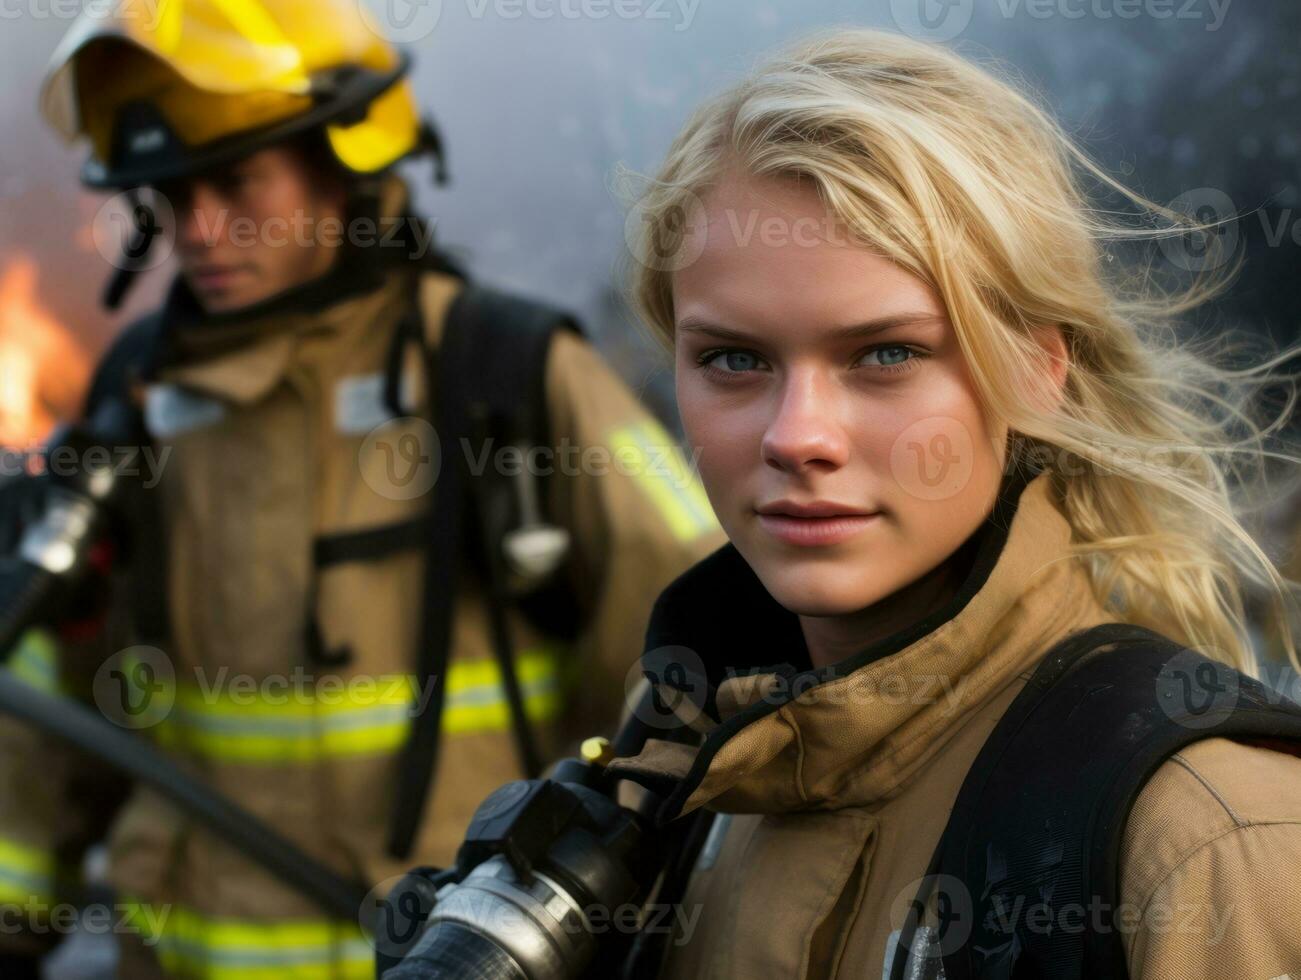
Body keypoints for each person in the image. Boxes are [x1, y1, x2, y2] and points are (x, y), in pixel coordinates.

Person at [0, 1, 724, 976]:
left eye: (235, 182)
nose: (199, 228)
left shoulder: (501, 374)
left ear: (337, 163)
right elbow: (58, 718)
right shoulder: (137, 399)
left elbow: (699, 653)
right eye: (172, 195)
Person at [606, 28, 1301, 979]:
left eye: (886, 353)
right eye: (734, 359)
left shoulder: (1202, 838)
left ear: (1038, 370)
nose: (796, 434)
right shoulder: (683, 776)